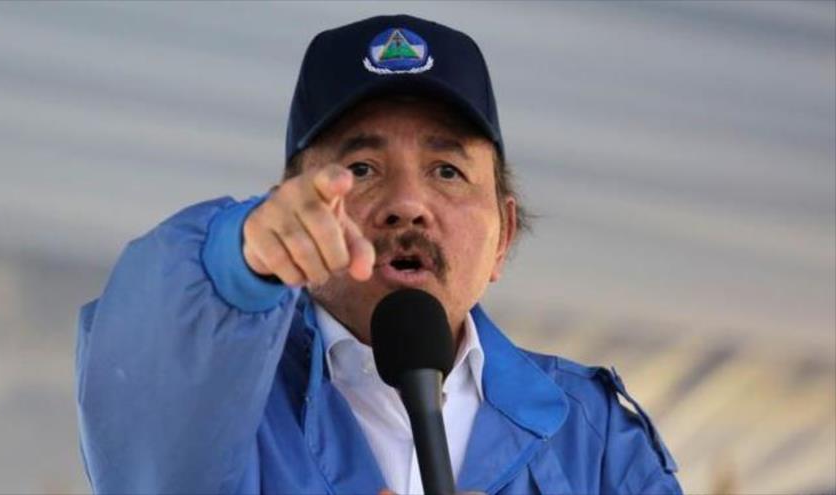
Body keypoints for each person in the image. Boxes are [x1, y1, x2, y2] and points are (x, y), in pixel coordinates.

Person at [75, 14, 682, 495]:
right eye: (362, 168)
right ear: (293, 211)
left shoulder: (592, 436)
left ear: (503, 236)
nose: (407, 204)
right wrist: (236, 261)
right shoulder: (224, 405)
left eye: (447, 170)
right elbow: (150, 376)